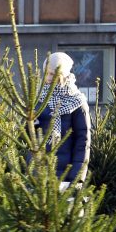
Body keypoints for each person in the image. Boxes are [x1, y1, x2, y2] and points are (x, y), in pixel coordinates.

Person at [37, 52, 92, 187]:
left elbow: (83, 141)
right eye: (47, 73)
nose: (48, 78)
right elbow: (27, 137)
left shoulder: (77, 101)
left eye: (53, 74)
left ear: (63, 74)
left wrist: (76, 177)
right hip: (39, 173)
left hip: (66, 176)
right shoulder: (38, 99)